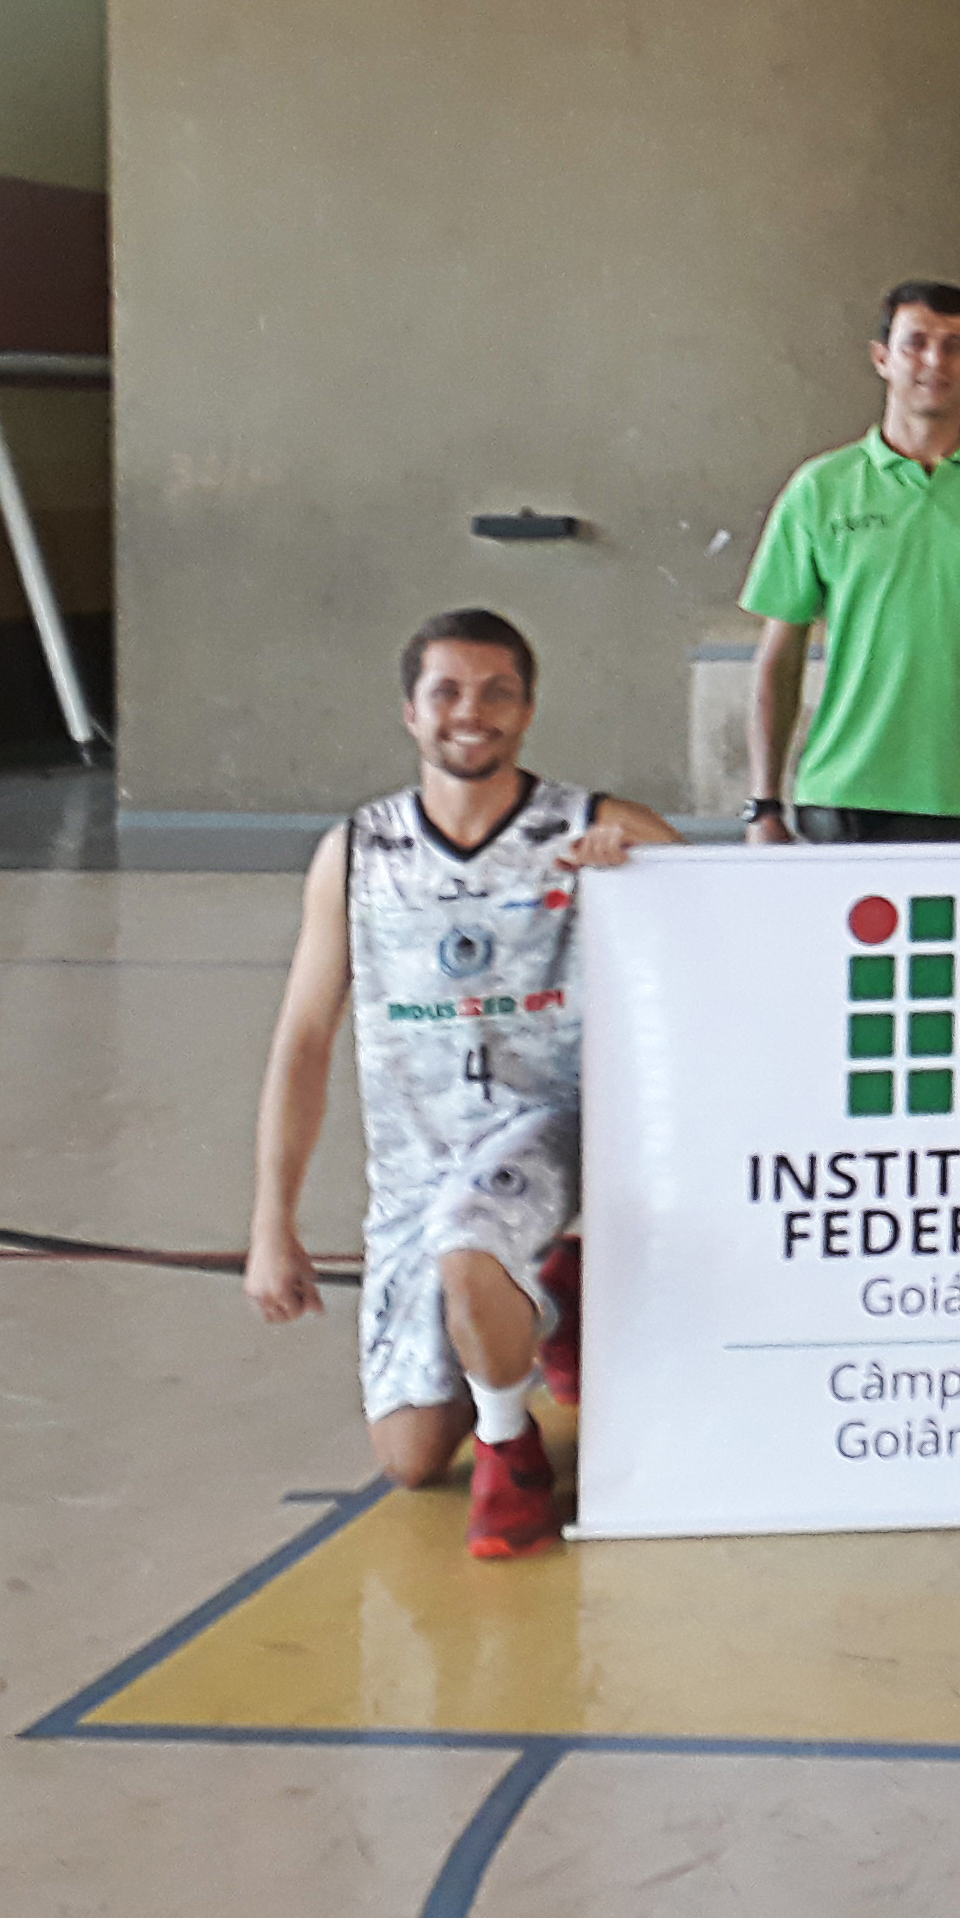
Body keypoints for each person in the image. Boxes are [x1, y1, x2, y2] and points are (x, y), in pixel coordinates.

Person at [242, 610, 678, 1559]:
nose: (470, 713)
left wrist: (643, 873)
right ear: (410, 712)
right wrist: (272, 1225)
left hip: (545, 1132)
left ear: (527, 710)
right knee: (406, 1459)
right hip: (415, 1169)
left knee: (470, 1241)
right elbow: (306, 1038)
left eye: (497, 692)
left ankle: (512, 1455)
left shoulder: (591, 824)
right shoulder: (358, 852)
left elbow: (716, 919)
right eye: (447, 692)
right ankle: (548, 1301)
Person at [743, 280, 960, 844]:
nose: (935, 361)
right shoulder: (820, 489)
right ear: (882, 357)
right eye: (916, 343)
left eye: (954, 345)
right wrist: (763, 806)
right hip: (847, 791)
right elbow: (777, 659)